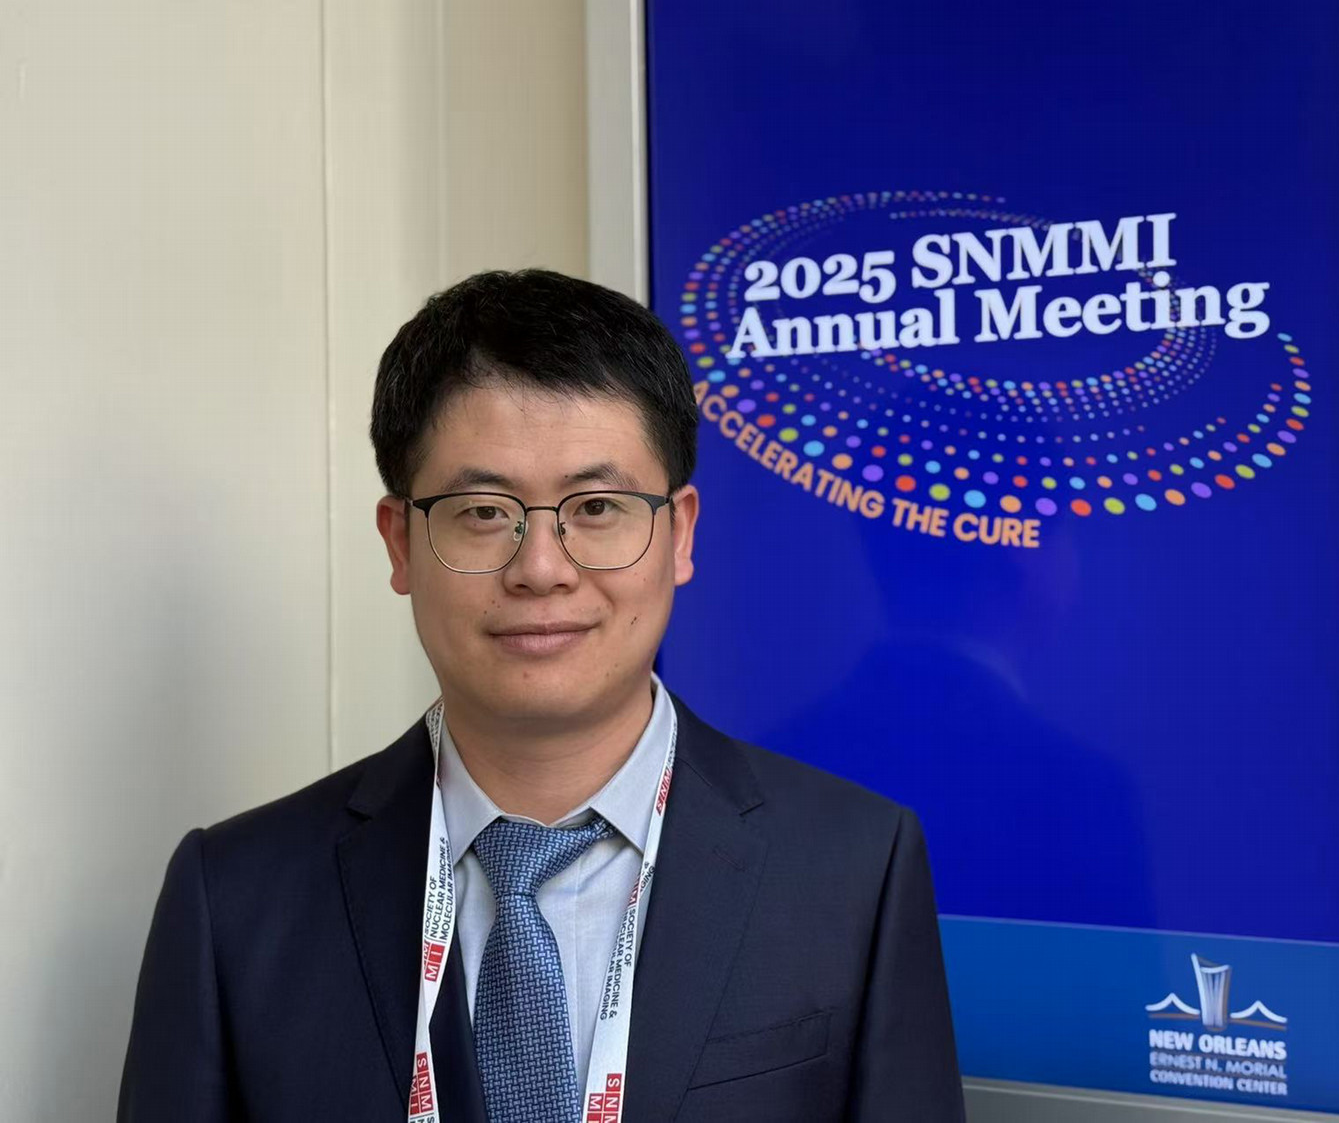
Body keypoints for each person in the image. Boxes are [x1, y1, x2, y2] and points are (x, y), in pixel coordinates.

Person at [118, 269, 965, 1122]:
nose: (542, 569)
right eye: (483, 511)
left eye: (597, 506)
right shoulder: (234, 897)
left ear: (681, 534)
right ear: (400, 543)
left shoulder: (855, 870)